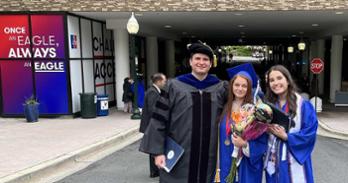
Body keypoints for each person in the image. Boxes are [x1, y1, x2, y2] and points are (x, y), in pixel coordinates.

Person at [139, 41, 228, 183]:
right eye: (197, 59)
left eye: (205, 59)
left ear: (211, 63)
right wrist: (158, 152)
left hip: (209, 156)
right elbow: (159, 120)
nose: (201, 62)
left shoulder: (221, 87)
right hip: (180, 154)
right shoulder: (173, 86)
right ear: (190, 62)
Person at [264, 65, 318, 183]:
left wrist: (287, 137)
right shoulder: (268, 105)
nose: (276, 83)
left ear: (288, 80)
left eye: (279, 78)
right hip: (273, 162)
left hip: (293, 161)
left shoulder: (303, 106)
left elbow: (310, 134)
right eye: (272, 80)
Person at [215, 63, 268, 183]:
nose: (240, 88)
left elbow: (262, 140)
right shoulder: (223, 106)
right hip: (225, 159)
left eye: (244, 86)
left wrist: (244, 144)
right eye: (237, 84)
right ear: (231, 86)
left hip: (246, 162)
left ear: (249, 88)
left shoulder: (255, 111)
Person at [139, 73, 167, 178]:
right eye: (164, 81)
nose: (165, 83)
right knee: (153, 148)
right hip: (152, 124)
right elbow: (153, 109)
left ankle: (156, 170)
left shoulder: (155, 91)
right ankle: (154, 171)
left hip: (152, 124)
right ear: (158, 81)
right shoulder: (152, 92)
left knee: (154, 147)